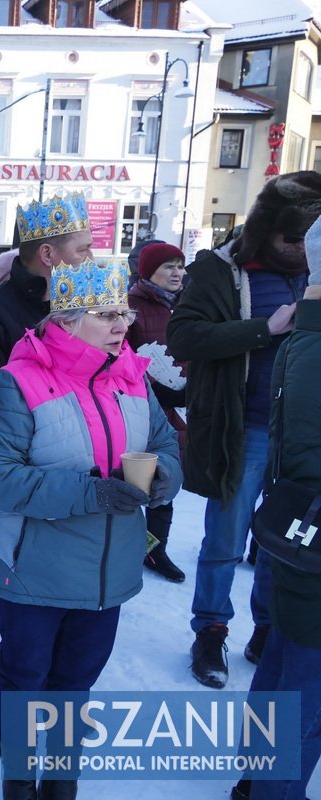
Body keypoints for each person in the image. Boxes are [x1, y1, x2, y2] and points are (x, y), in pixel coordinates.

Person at [0, 258, 181, 800]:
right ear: (65, 320)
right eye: (107, 314)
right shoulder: (16, 382)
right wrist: (92, 492)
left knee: (75, 683)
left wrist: (160, 483)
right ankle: (19, 779)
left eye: (124, 313)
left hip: (107, 572)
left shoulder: (132, 374)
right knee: (25, 680)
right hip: (33, 568)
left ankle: (60, 778)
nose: (122, 325)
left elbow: (165, 446)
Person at [0, 193, 94, 755]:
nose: (91, 256)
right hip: (0, 481)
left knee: (51, 589)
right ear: (52, 255)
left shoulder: (86, 305)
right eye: (82, 249)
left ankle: (39, 691)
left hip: (72, 480)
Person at [166, 170, 321, 688]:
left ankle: (268, 627)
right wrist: (265, 328)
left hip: (299, 437)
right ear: (265, 228)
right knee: (226, 541)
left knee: (287, 542)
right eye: (293, 238)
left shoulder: (317, 267)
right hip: (244, 428)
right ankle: (211, 629)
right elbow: (184, 336)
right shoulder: (222, 268)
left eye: (311, 238)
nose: (302, 250)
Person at [233, 214, 321, 800]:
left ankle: (258, 782)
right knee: (303, 692)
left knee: (288, 659)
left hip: (300, 529)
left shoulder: (306, 333)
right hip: (310, 528)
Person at [126, 241, 189, 583]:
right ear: (148, 271)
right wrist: (155, 388)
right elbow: (122, 354)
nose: (177, 273)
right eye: (169, 266)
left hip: (181, 404)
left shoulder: (187, 304)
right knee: (136, 477)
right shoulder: (132, 305)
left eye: (180, 265)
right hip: (143, 403)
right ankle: (129, 543)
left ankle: (155, 550)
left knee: (167, 476)